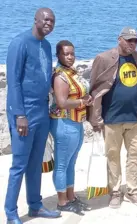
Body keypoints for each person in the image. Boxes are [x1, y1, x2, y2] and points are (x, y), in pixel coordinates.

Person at [4, 8, 61, 224]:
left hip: (42, 111)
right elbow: (14, 81)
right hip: (24, 112)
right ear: (35, 20)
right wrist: (19, 115)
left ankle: (35, 205)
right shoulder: (20, 43)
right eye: (45, 19)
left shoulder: (46, 46)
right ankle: (11, 212)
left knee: (36, 162)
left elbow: (45, 78)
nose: (49, 23)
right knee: (19, 164)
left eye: (52, 21)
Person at [87, 27, 137, 209]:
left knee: (135, 156)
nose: (132, 44)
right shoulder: (104, 58)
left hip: (135, 117)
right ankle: (114, 191)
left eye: (135, 41)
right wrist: (95, 118)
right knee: (112, 156)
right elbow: (95, 89)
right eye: (129, 40)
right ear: (119, 39)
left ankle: (134, 191)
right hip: (112, 118)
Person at [50, 40, 93, 214]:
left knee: (71, 164)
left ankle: (71, 197)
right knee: (61, 164)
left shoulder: (71, 73)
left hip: (76, 122)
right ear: (58, 55)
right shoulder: (60, 75)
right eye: (65, 54)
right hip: (64, 123)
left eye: (72, 54)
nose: (70, 57)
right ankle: (62, 202)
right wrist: (83, 101)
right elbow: (61, 102)